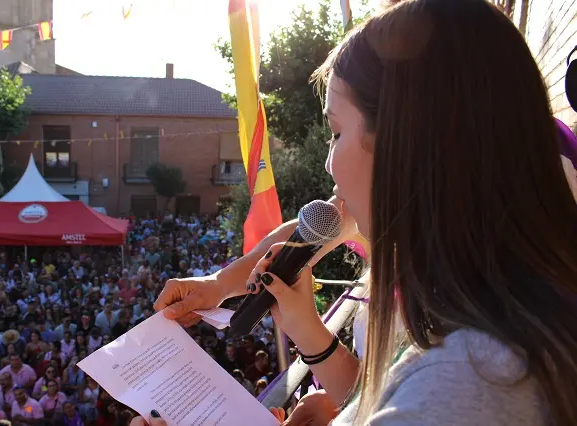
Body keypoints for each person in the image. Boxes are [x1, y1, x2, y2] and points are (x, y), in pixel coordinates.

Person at [144, 1, 577, 425]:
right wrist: (219, 285)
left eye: (336, 132)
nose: (327, 164)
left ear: (405, 143)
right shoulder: (510, 319)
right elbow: (312, 231)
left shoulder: (466, 385)